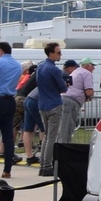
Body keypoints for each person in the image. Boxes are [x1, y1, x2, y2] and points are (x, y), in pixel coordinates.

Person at [0, 41, 23, 178]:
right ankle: (7, 169)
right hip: (10, 100)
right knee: (8, 135)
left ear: (1, 50)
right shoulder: (17, 65)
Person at [37, 42, 68, 177]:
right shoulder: (54, 70)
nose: (60, 55)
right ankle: (48, 165)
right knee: (52, 137)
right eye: (58, 52)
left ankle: (43, 164)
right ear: (51, 54)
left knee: (46, 136)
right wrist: (65, 83)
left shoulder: (40, 67)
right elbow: (63, 88)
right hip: (54, 104)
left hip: (43, 104)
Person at [58, 57, 96, 143]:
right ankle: (62, 150)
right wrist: (90, 95)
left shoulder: (76, 71)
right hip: (71, 102)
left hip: (64, 99)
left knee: (62, 127)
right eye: (92, 65)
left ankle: (60, 148)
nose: (94, 68)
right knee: (66, 128)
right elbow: (89, 92)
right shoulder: (87, 73)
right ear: (87, 66)